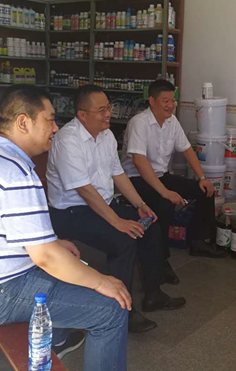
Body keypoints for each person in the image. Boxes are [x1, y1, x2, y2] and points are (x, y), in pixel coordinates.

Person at [0, 85, 130, 371]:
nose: (56, 127)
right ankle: (59, 336)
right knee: (111, 308)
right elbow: (45, 258)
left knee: (68, 261)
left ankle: (56, 339)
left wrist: (54, 244)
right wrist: (102, 281)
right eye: (49, 119)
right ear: (24, 122)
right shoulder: (16, 172)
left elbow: (8, 228)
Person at [47, 84, 186, 334]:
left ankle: (153, 294)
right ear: (82, 115)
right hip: (71, 212)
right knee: (123, 240)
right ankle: (121, 310)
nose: (108, 114)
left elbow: (118, 174)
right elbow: (84, 190)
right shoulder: (68, 140)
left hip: (102, 205)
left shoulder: (107, 135)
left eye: (108, 107)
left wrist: (140, 205)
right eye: (101, 110)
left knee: (149, 227)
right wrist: (117, 222)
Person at [122, 79, 225, 285]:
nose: (171, 105)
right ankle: (161, 260)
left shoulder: (172, 121)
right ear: (152, 101)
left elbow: (187, 150)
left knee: (203, 191)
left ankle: (199, 241)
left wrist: (203, 178)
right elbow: (140, 162)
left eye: (173, 101)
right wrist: (164, 191)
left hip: (161, 175)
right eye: (165, 101)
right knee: (164, 204)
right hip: (135, 179)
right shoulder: (139, 123)